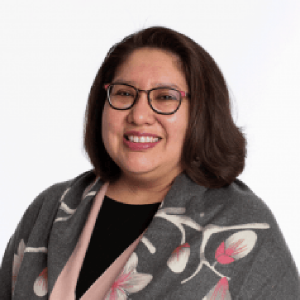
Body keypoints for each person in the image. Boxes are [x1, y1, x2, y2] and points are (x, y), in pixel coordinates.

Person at [0, 26, 299, 300]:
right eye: (124, 93)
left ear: (201, 113)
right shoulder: (50, 208)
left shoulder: (244, 226)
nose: (139, 115)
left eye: (166, 97)